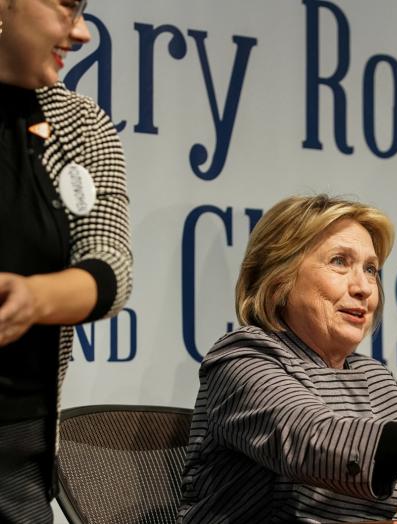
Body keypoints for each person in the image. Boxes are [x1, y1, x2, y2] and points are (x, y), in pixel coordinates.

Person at [178, 195, 397, 523]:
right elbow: (316, 443)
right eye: (340, 262)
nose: (364, 288)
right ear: (279, 279)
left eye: (370, 269)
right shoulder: (243, 359)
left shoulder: (375, 378)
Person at [0, 0, 132, 521]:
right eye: (66, 7)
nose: (82, 33)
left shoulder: (79, 125)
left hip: (17, 450)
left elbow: (111, 268)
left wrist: (33, 299)